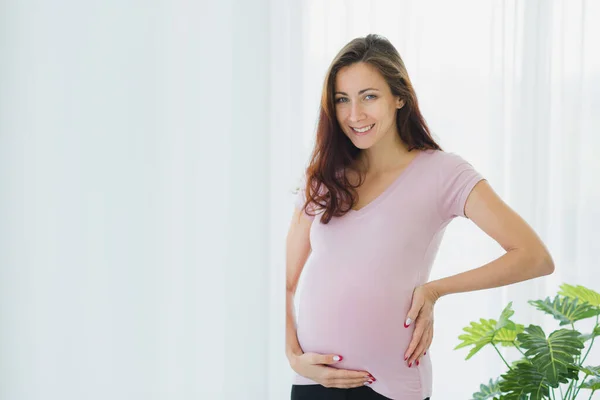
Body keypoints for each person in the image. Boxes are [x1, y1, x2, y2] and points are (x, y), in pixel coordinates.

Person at [285, 34, 554, 400]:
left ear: (399, 97)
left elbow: (533, 256)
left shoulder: (443, 173)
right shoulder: (324, 175)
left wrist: (434, 290)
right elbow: (286, 284)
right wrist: (294, 358)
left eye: (369, 96)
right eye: (342, 100)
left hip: (391, 387)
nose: (354, 114)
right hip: (314, 383)